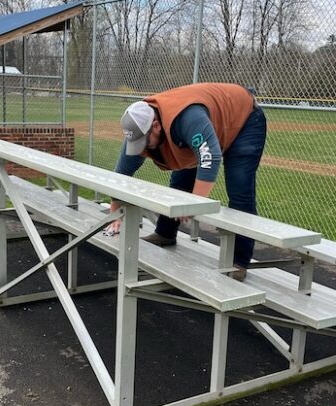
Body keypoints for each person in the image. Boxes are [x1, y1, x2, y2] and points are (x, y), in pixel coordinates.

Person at [107, 82, 267, 281]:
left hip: (242, 119)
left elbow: (210, 157)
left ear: (156, 125)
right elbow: (121, 175)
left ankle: (239, 261)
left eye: (144, 142)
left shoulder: (186, 118)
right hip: (205, 126)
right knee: (180, 181)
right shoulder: (139, 127)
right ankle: (165, 233)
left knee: (239, 188)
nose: (142, 148)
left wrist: (194, 204)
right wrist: (115, 215)